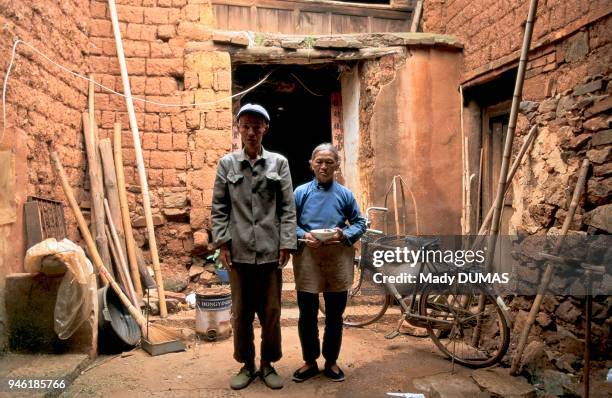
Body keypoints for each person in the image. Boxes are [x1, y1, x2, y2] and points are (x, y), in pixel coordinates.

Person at [211, 103, 296, 390]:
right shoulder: (227, 165)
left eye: (256, 126)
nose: (251, 132)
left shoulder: (279, 164)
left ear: (265, 129)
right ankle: (247, 364)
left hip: (271, 251)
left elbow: (287, 207)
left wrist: (286, 243)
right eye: (245, 126)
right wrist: (222, 243)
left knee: (271, 311)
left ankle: (268, 363)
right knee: (242, 311)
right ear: (239, 128)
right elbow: (219, 207)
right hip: (239, 251)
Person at [291, 143, 366, 383]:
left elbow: (359, 223)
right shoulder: (300, 193)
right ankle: (310, 361)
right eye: (319, 162)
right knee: (307, 313)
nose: (324, 166)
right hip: (308, 257)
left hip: (336, 256)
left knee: (335, 314)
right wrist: (304, 235)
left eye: (329, 162)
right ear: (311, 164)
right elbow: (287, 223)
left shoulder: (345, 194)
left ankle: (331, 361)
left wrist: (343, 234)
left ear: (336, 165)